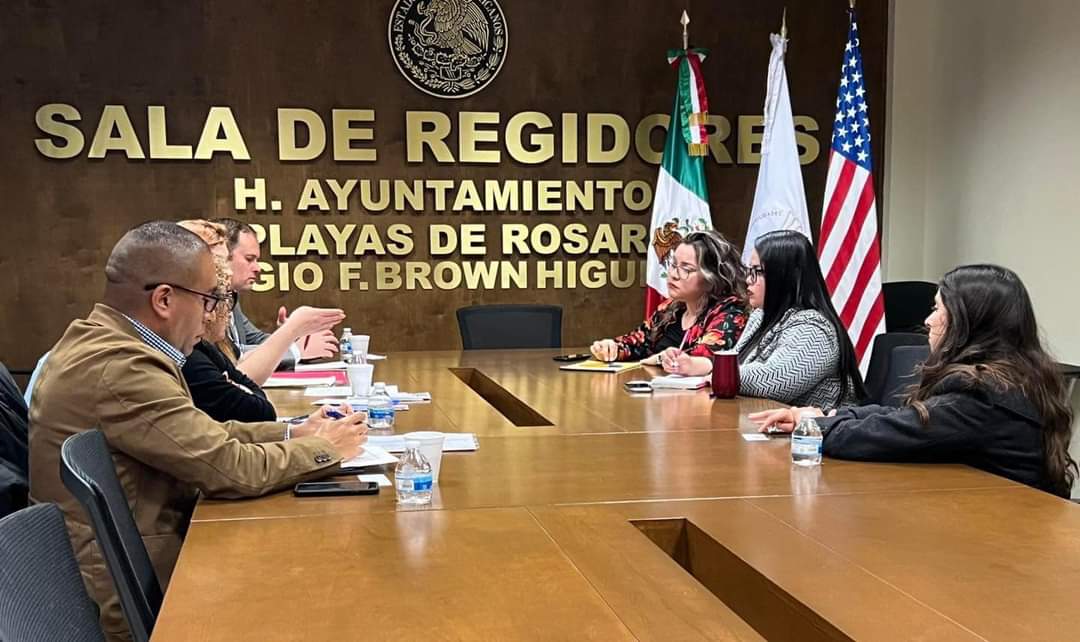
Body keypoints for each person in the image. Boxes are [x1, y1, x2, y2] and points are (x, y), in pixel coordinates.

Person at [28, 221, 368, 640]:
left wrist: (292, 435)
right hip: (132, 595)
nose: (212, 316)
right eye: (209, 300)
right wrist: (325, 449)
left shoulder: (108, 344)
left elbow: (204, 434)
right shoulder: (121, 367)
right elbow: (226, 467)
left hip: (133, 564)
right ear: (164, 299)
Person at [750, 264, 1077, 498]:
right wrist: (826, 415)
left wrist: (814, 426)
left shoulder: (981, 393)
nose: (928, 320)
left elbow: (885, 435)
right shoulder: (1019, 376)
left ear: (967, 323)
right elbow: (903, 416)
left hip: (1007, 535)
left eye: (938, 309)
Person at [735, 230, 865, 408]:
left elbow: (772, 381)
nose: (748, 279)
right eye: (749, 270)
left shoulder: (814, 329)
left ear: (785, 275)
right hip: (767, 418)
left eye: (757, 271)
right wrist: (711, 368)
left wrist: (718, 372)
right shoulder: (760, 316)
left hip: (816, 425)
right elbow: (735, 363)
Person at [590, 230, 748, 376]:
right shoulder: (672, 308)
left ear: (712, 277)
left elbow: (705, 358)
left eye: (686, 269)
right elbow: (639, 342)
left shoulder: (731, 312)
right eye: (673, 265)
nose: (673, 274)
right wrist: (612, 347)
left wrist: (659, 359)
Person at [213, 218, 343, 383]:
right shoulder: (206, 303)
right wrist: (294, 346)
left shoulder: (231, 298)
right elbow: (232, 355)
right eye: (249, 259)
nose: (258, 268)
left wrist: (293, 334)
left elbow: (258, 340)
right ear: (222, 258)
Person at [178, 219, 276, 422]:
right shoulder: (183, 352)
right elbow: (256, 411)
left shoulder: (203, 341)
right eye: (218, 264)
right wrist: (294, 330)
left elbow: (258, 400)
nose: (226, 274)